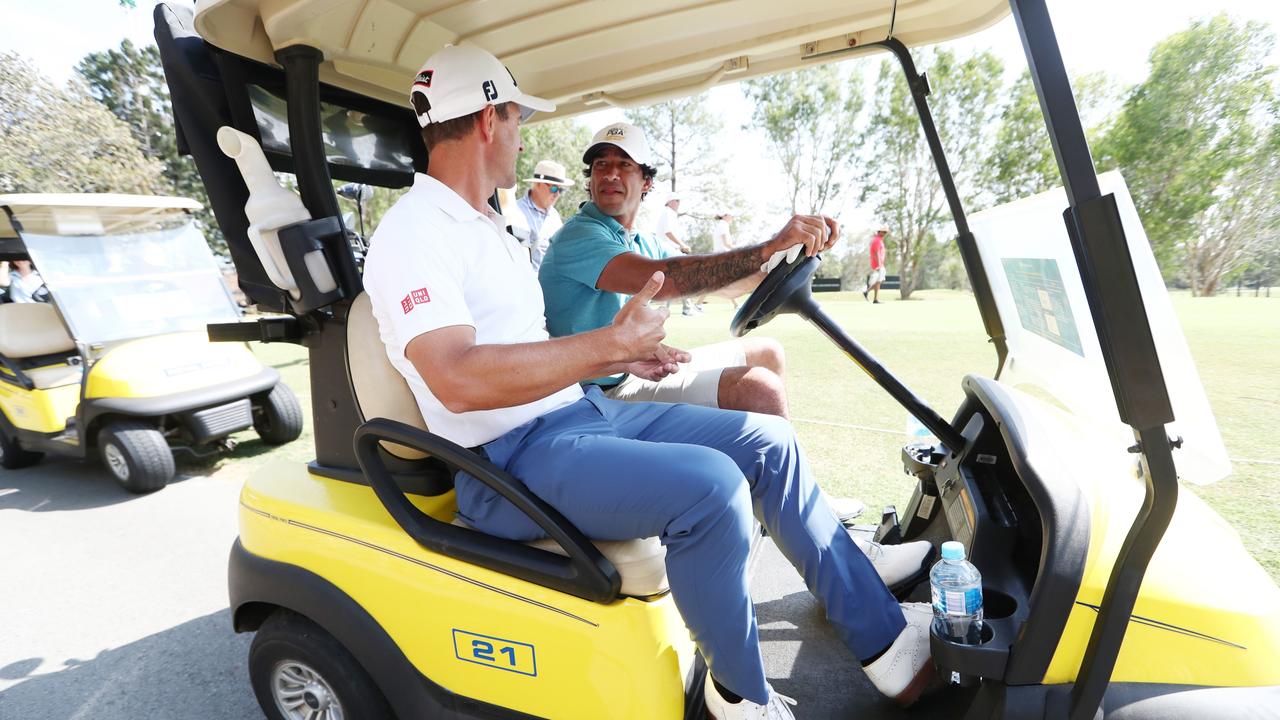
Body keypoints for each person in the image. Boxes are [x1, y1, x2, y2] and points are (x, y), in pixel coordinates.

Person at [364, 45, 936, 719]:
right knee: (713, 492)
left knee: (767, 440)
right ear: (491, 120)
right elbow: (456, 379)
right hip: (509, 462)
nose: (521, 137)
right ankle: (740, 698)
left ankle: (886, 645)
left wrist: (620, 358)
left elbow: (525, 344)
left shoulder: (491, 224)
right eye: (518, 120)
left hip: (575, 415)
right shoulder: (414, 234)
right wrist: (607, 343)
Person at [540, 122, 886, 525]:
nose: (611, 174)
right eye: (601, 165)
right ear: (591, 178)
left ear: (646, 181)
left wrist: (780, 262)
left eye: (624, 165)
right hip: (595, 398)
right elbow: (666, 279)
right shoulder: (581, 236)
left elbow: (717, 283)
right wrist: (766, 249)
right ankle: (808, 516)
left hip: (634, 375)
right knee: (759, 387)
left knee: (767, 352)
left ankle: (794, 495)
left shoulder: (637, 240)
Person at [508, 159, 573, 270]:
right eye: (554, 188)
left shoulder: (555, 218)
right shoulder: (515, 211)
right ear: (537, 184)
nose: (557, 194)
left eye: (560, 190)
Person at [651, 191, 698, 315]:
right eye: (677, 201)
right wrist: (682, 245)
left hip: (667, 250)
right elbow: (668, 232)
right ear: (670, 202)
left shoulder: (668, 213)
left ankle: (685, 307)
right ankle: (688, 308)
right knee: (683, 276)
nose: (678, 203)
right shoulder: (668, 213)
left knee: (674, 279)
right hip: (668, 250)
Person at [864, 228, 888, 304]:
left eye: (885, 232)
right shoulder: (877, 240)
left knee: (880, 281)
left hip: (880, 264)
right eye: (883, 232)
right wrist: (879, 265)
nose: (884, 233)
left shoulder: (879, 240)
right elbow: (877, 253)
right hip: (878, 264)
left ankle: (868, 293)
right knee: (879, 281)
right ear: (879, 232)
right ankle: (874, 298)